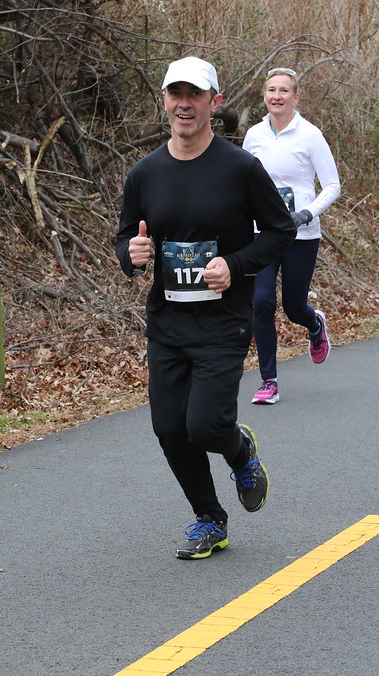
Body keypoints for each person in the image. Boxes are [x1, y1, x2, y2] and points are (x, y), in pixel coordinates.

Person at [114, 57, 296, 560]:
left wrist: (234, 266)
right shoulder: (145, 173)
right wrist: (131, 254)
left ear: (214, 104)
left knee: (207, 427)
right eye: (176, 94)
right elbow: (126, 234)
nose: (184, 104)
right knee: (170, 428)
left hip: (223, 320)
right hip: (168, 321)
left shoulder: (240, 168)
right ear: (165, 101)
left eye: (195, 95)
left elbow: (281, 231)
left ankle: (241, 450)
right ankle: (209, 519)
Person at [243, 67, 341, 405]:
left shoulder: (310, 135)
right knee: (261, 301)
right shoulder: (254, 135)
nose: (276, 96)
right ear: (265, 96)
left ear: (295, 98)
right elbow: (242, 183)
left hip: (301, 232)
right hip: (263, 231)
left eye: (283, 90)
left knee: (293, 306)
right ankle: (268, 381)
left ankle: (314, 324)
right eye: (271, 90)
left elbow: (332, 185)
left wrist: (307, 213)